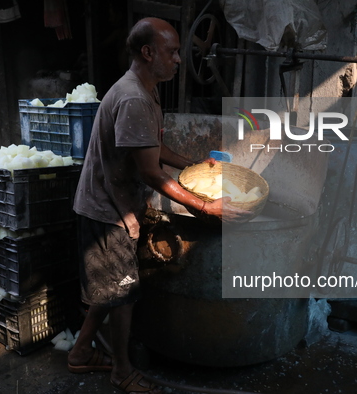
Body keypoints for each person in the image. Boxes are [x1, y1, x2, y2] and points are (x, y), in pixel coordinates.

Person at [67, 17, 244, 393]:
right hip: (107, 209)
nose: (180, 59)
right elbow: (149, 172)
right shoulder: (132, 97)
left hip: (116, 203)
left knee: (112, 289)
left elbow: (153, 148)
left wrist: (196, 166)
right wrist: (205, 207)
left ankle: (81, 352)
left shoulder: (147, 90)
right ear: (148, 53)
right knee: (124, 295)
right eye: (173, 51)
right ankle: (122, 371)